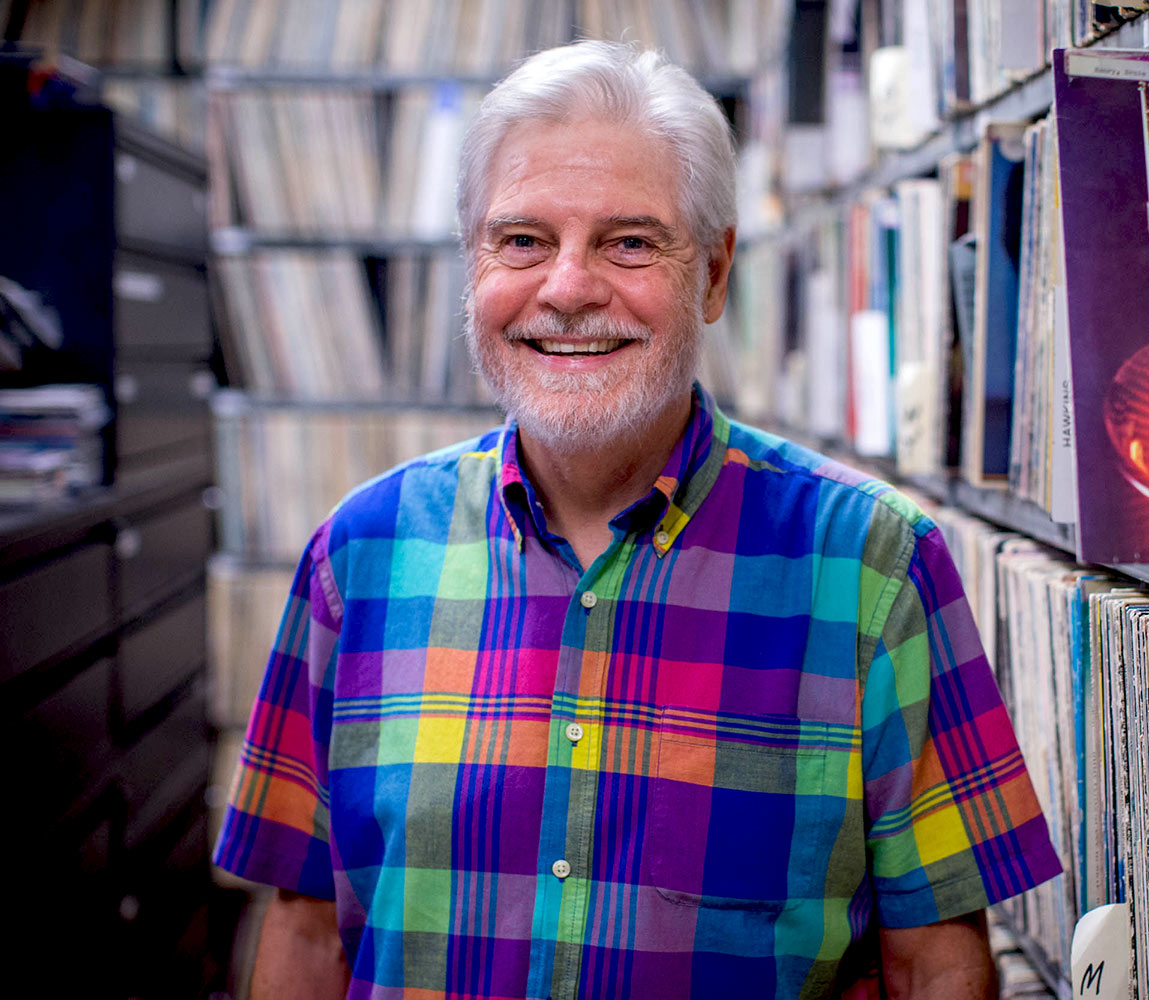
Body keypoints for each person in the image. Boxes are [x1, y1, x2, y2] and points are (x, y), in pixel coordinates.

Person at [214, 39, 1061, 1000]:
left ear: (713, 272)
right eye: (522, 240)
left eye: (629, 242)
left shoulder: (877, 566)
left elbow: (936, 963)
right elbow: (308, 927)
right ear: (472, 264)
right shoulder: (355, 559)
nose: (568, 288)